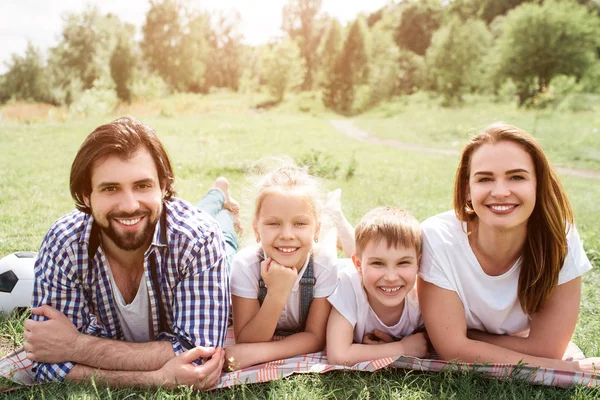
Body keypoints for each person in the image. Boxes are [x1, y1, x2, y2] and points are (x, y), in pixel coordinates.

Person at [22, 116, 233, 389]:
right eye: (111, 189)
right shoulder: (65, 242)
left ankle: (221, 196)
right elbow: (47, 362)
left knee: (225, 233)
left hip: (219, 251)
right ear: (86, 196)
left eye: (143, 185)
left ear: (164, 186)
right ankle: (217, 196)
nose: (130, 205)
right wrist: (156, 379)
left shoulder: (200, 237)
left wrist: (75, 346)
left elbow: (200, 356)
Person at [418, 122, 599, 372]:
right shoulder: (437, 237)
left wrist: (470, 338)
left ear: (538, 184)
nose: (501, 191)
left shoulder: (561, 237)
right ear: (466, 190)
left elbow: (549, 350)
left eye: (517, 177)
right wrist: (570, 369)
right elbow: (452, 351)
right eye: (485, 179)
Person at [224, 164, 338, 370]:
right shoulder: (244, 265)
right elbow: (246, 338)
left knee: (328, 249)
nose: (287, 234)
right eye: (273, 223)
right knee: (224, 240)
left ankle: (335, 225)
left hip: (320, 250)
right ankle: (222, 202)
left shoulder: (324, 265)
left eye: (300, 224)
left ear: (316, 229)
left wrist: (260, 353)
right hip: (227, 254)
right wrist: (277, 293)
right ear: (256, 229)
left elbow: (315, 337)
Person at [326, 207, 429, 366]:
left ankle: (338, 217)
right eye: (378, 263)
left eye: (403, 262)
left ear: (418, 263)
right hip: (337, 271)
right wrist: (401, 348)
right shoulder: (348, 286)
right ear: (358, 265)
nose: (391, 277)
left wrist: (386, 346)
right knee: (327, 251)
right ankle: (335, 220)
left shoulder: (423, 296)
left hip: (364, 272)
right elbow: (338, 355)